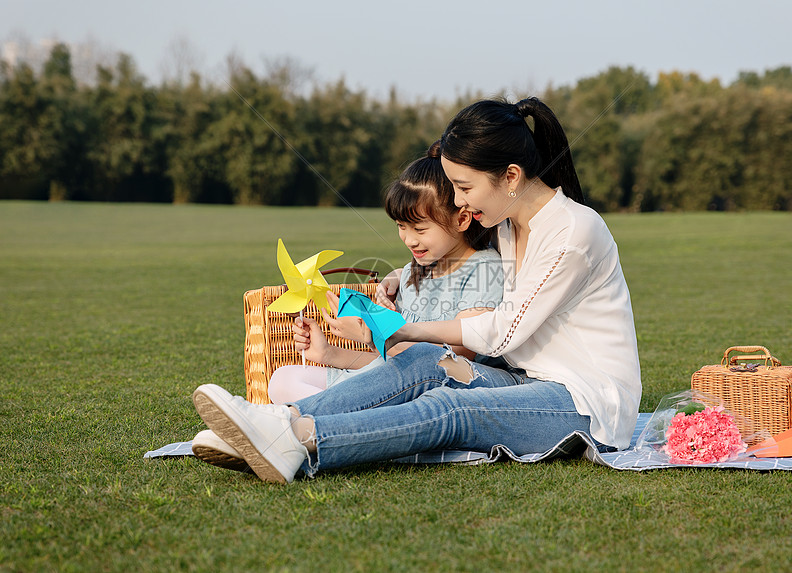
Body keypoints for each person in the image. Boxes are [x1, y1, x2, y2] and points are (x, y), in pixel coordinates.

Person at [192, 97, 641, 484]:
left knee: (451, 409)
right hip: (525, 380)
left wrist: (408, 329)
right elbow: (444, 255)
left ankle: (300, 440)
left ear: (510, 176)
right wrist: (394, 280)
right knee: (425, 363)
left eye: (464, 187)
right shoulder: (506, 225)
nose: (459, 201)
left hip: (586, 403)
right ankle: (278, 420)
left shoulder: (572, 232)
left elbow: (506, 331)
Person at [191, 143, 504, 469]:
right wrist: (332, 354)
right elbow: (393, 367)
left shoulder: (484, 269)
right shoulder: (415, 269)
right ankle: (286, 428)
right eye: (401, 227)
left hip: (445, 386)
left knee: (405, 385)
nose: (409, 240)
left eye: (420, 228)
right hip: (391, 381)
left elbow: (448, 359)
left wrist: (374, 336)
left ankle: (276, 429)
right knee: (282, 379)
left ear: (463, 218)